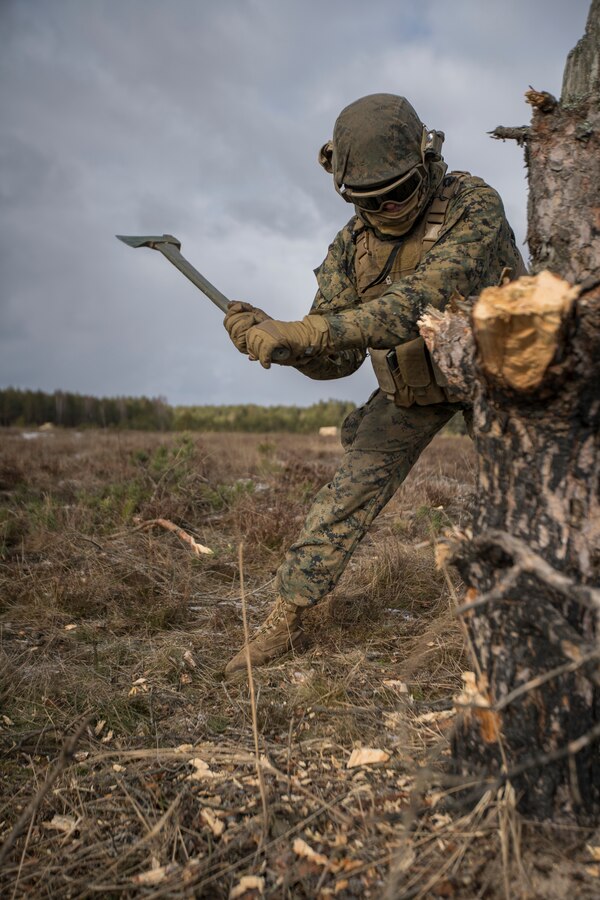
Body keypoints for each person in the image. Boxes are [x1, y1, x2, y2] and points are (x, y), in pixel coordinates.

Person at [222, 93, 525, 675]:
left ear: (426, 158)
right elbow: (339, 357)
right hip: (415, 389)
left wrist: (310, 331)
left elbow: (421, 301)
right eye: (367, 199)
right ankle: (286, 620)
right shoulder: (350, 246)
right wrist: (284, 345)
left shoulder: (474, 204)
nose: (386, 207)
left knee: (531, 497)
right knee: (341, 501)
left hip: (501, 380)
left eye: (400, 191)